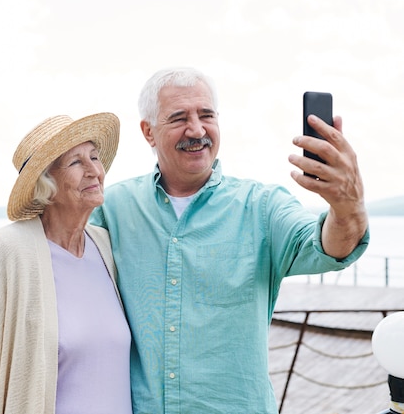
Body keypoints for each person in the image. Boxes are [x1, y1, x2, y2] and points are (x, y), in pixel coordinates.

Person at [89, 67, 369, 413]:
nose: (197, 129)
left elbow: (328, 247)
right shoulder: (110, 209)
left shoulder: (263, 207)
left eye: (206, 115)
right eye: (179, 118)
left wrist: (348, 206)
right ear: (148, 131)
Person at [0, 113, 132, 414]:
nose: (94, 171)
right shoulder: (10, 249)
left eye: (94, 157)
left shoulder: (105, 246)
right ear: (47, 183)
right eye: (76, 162)